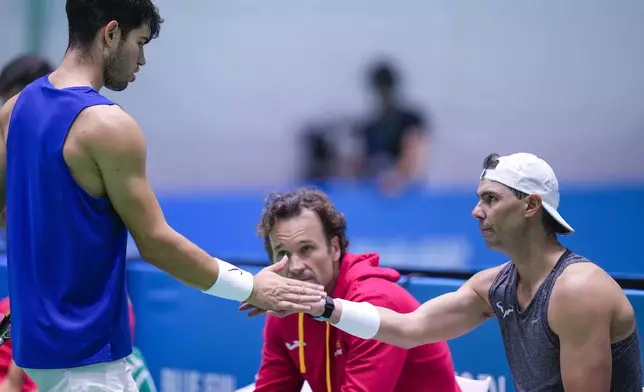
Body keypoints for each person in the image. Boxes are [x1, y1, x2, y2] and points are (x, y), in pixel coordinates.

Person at [0, 1, 325, 391]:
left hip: (36, 352)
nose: (142, 60)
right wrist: (252, 286)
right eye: (140, 42)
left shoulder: (13, 110)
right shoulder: (108, 125)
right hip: (86, 364)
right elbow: (155, 243)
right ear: (111, 33)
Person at [245, 152, 643, 391]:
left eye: (490, 199)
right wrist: (322, 307)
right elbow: (408, 329)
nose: (476, 211)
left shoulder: (578, 291)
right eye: (478, 198)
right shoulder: (493, 287)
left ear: (530, 206)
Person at [241, 189, 461, 391]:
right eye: (283, 254)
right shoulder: (285, 309)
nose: (296, 266)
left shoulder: (375, 303)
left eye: (306, 249)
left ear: (334, 248)